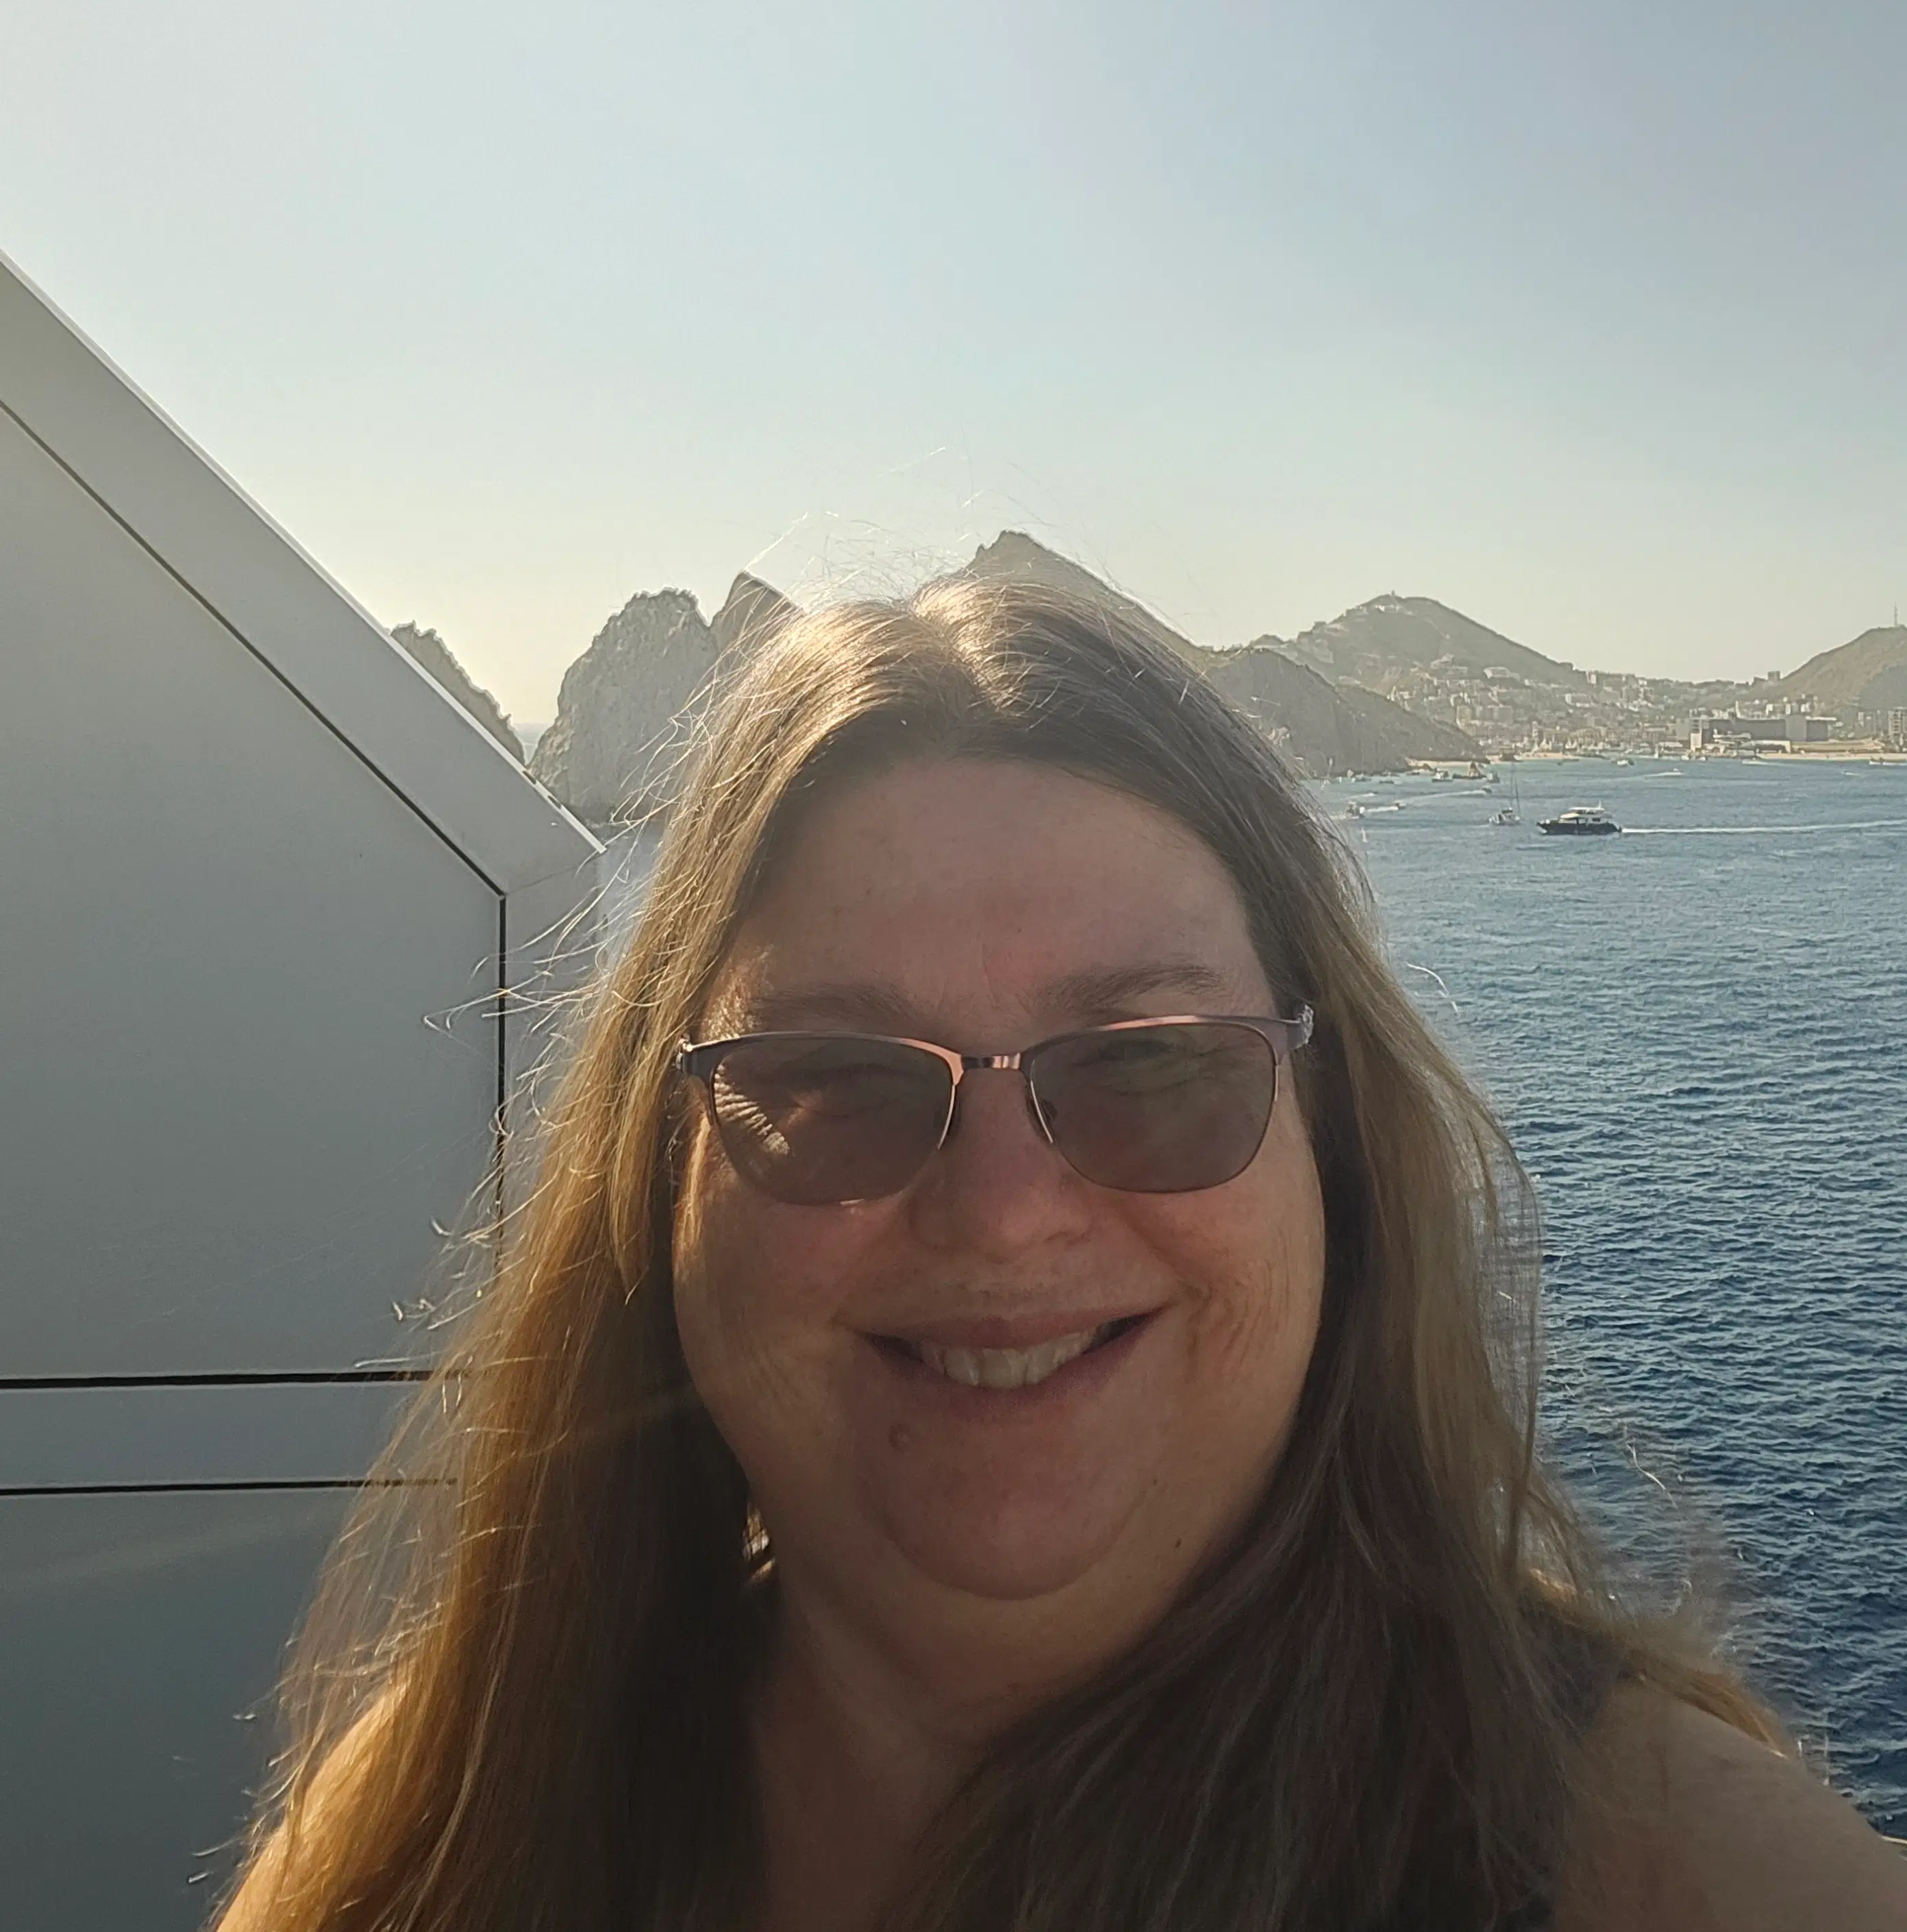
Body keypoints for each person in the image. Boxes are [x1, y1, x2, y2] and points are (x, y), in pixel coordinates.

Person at [218, 581, 1906, 1932]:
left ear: (1336, 1149)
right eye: (834, 1081)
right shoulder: (449, 1814)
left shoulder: (1697, 1881)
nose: (1005, 1210)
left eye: (1155, 1062)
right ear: (661, 1186)